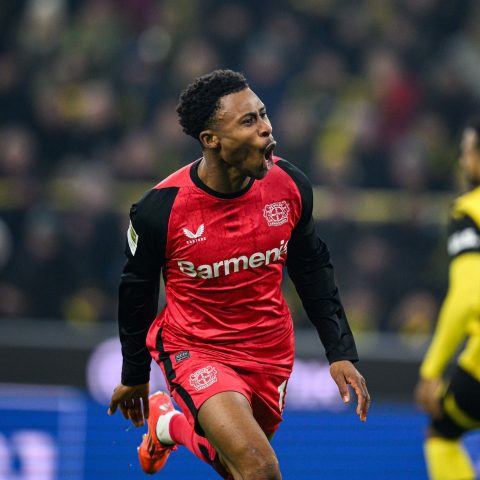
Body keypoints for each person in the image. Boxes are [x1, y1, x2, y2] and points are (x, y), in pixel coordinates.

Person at [107, 69, 370, 479]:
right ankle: (169, 419)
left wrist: (340, 352)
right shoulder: (160, 209)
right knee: (259, 467)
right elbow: (136, 291)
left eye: (263, 115)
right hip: (195, 348)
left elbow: (313, 268)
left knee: (231, 464)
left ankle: (168, 426)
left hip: (269, 352)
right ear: (211, 140)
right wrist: (135, 374)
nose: (266, 129)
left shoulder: (291, 186)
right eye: (249, 121)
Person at [415, 119, 480, 480]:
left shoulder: (469, 210)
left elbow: (470, 296)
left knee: (441, 432)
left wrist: (432, 369)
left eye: (467, 151)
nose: (462, 161)